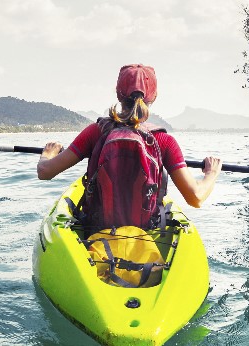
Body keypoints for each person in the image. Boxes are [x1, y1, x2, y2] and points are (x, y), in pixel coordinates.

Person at [37, 64, 222, 229]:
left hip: (97, 228)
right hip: (145, 230)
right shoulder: (164, 141)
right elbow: (196, 197)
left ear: (118, 94)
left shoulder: (96, 132)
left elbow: (45, 172)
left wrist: (48, 154)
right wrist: (211, 173)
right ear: (154, 97)